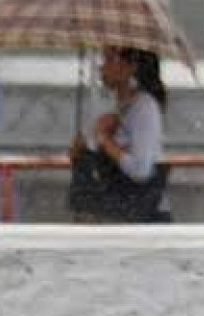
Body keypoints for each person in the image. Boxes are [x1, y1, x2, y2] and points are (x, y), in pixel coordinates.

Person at [69, 46, 172, 223]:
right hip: (118, 216)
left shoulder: (144, 107)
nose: (102, 67)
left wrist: (104, 139)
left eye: (109, 59)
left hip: (143, 220)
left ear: (130, 67)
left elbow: (141, 170)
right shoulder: (117, 107)